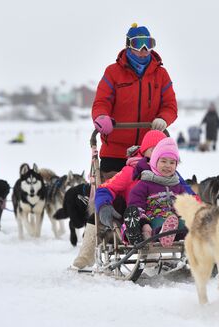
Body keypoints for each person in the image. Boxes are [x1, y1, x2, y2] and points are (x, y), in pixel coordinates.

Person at [72, 130, 194, 269]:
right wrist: (104, 205)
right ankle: (85, 256)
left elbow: (188, 193)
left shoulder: (171, 172)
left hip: (165, 213)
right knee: (98, 216)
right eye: (154, 149)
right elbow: (106, 188)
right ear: (145, 150)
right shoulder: (132, 170)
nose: (159, 152)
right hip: (135, 214)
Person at [92, 23, 178, 179]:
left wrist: (163, 119)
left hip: (149, 151)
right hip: (115, 151)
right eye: (138, 44)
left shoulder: (161, 74)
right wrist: (101, 117)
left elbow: (170, 106)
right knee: (114, 193)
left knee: (149, 195)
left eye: (148, 44)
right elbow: (101, 102)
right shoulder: (113, 72)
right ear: (128, 45)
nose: (144, 50)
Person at [124, 137, 188, 246]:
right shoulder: (144, 184)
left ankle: (193, 237)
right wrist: (144, 224)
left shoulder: (178, 186)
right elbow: (136, 205)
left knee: (186, 225)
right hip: (153, 219)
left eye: (172, 162)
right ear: (154, 161)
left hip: (174, 221)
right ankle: (152, 235)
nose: (168, 166)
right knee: (161, 224)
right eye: (163, 161)